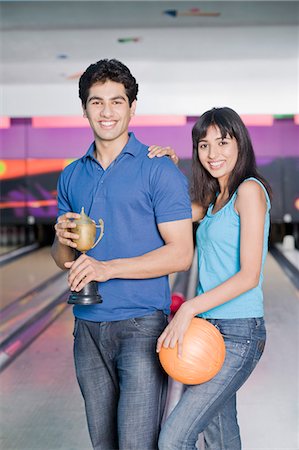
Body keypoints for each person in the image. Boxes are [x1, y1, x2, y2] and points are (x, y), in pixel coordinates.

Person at [51, 58, 193, 450]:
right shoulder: (71, 174)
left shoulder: (159, 170)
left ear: (132, 108)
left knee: (135, 444)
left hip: (141, 327)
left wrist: (107, 269)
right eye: (97, 102)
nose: (107, 111)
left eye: (117, 101)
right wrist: (60, 237)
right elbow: (63, 257)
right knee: (104, 445)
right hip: (87, 328)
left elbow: (181, 254)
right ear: (84, 109)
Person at [149, 107, 271, 450]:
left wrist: (187, 309)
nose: (213, 154)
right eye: (204, 145)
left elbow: (249, 276)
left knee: (174, 438)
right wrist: (163, 168)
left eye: (223, 142)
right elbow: (170, 212)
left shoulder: (249, 191)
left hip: (239, 332)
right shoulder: (213, 200)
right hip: (208, 331)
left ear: (240, 143)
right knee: (220, 439)